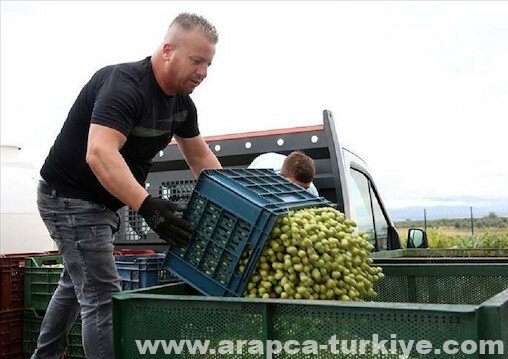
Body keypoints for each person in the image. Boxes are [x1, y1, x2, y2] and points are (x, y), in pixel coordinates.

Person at [33, 13, 222, 359]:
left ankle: (43, 355)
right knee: (102, 295)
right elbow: (99, 152)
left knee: (79, 282)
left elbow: (200, 159)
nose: (203, 72)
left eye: (209, 64)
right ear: (168, 50)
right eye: (197, 61)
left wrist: (235, 197)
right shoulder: (125, 85)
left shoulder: (182, 106)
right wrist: (148, 206)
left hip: (102, 202)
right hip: (69, 197)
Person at [248, 151, 319, 196]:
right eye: (295, 187)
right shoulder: (256, 177)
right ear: (280, 177)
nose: (299, 192)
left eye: (304, 188)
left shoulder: (311, 192)